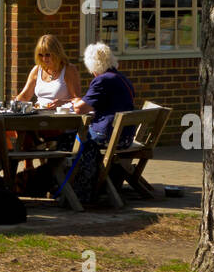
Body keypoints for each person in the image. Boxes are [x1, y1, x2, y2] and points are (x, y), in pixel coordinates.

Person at [66, 42, 136, 204]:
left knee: (67, 138)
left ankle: (75, 186)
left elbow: (80, 109)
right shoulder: (121, 78)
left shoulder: (102, 81)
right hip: (125, 136)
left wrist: (75, 101)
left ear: (92, 66)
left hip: (108, 136)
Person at [15, 35, 82, 108]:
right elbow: (24, 96)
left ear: (56, 53)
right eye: (41, 55)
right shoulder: (37, 70)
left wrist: (62, 103)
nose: (44, 59)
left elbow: (77, 100)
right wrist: (15, 103)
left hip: (61, 115)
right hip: (39, 113)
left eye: (47, 55)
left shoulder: (69, 70)